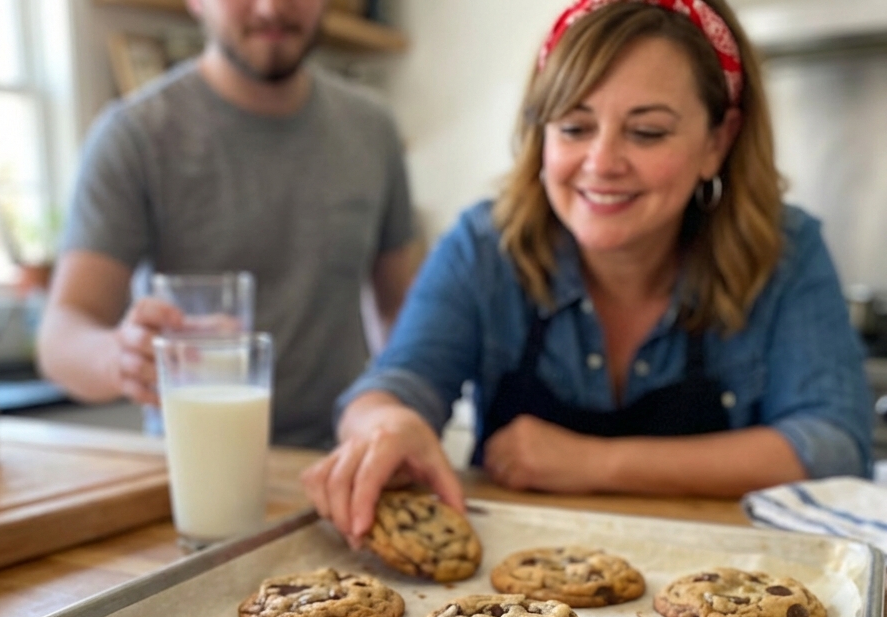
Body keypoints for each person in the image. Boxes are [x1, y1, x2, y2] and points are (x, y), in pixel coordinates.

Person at [303, 0, 873, 544]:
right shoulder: (484, 246)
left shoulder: (785, 251)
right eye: (575, 127)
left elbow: (833, 445)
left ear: (717, 142)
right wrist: (387, 426)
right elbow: (394, 386)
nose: (601, 163)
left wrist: (594, 462)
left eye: (647, 131)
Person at [37, 0, 417, 449]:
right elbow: (61, 335)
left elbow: (404, 311)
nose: (272, 8)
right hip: (194, 462)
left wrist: (394, 408)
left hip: (340, 458)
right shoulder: (134, 136)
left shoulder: (373, 130)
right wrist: (120, 355)